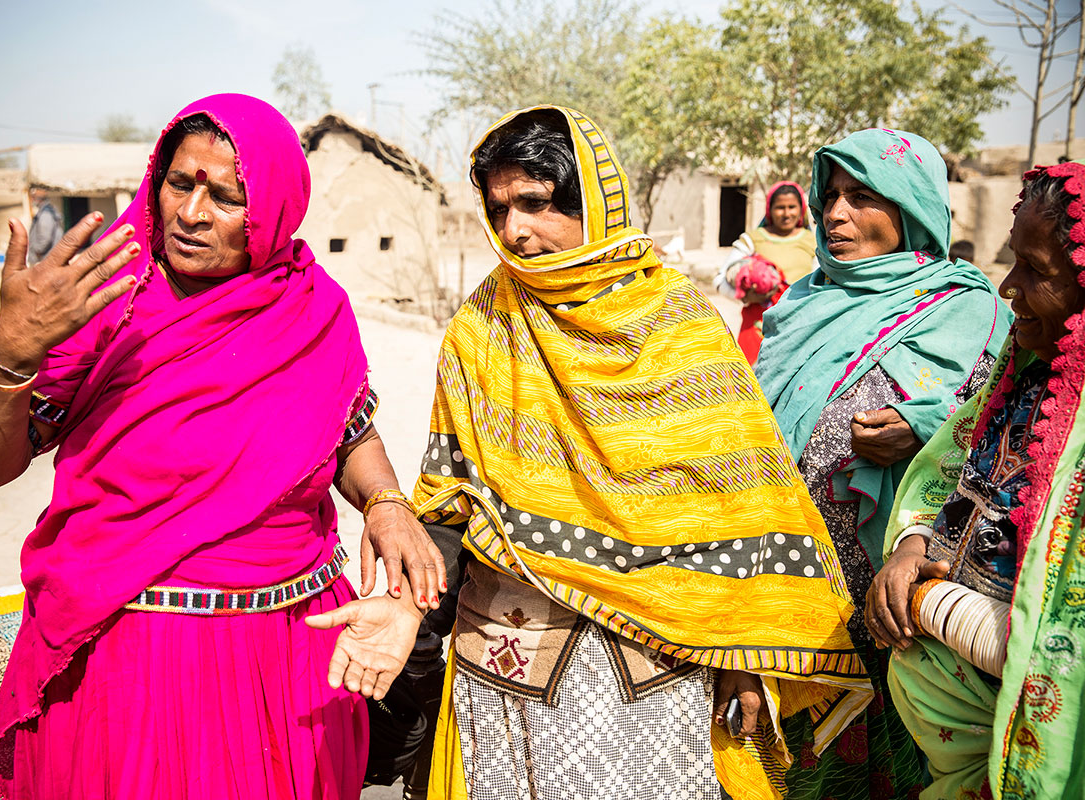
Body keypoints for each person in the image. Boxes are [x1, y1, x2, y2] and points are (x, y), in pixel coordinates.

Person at [0, 94, 446, 800]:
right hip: (126, 658)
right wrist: (12, 355)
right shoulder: (106, 293)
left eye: (227, 196)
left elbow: (346, 433)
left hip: (285, 655)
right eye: (180, 184)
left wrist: (387, 503)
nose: (191, 213)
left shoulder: (312, 306)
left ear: (274, 207)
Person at [407, 106, 872, 800]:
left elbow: (740, 503)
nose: (513, 231)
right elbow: (449, 493)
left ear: (592, 200)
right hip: (507, 670)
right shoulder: (483, 323)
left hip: (654, 673)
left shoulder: (677, 322)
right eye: (499, 208)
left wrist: (743, 655)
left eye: (534, 203)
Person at [754, 128, 1012, 799]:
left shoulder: (970, 309)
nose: (834, 214)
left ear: (911, 205)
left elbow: (998, 438)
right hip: (782, 597)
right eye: (830, 196)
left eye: (861, 195)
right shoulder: (800, 304)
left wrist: (923, 428)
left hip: (897, 606)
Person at [868, 161, 1085, 799]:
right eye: (1011, 261)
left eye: (1038, 272)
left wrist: (936, 607)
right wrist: (912, 545)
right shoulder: (1016, 373)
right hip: (951, 735)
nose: (1010, 287)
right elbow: (945, 477)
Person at [716, 180, 817, 363]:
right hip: (759, 328)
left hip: (800, 326)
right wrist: (748, 297)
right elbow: (719, 281)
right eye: (780, 207)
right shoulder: (752, 240)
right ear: (769, 210)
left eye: (792, 207)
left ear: (801, 209)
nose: (786, 214)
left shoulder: (814, 241)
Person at [27, 187, 63, 264]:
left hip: (44, 259)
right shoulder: (44, 212)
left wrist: (38, 251)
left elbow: (45, 238)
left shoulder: (46, 214)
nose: (31, 200)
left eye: (32, 198)